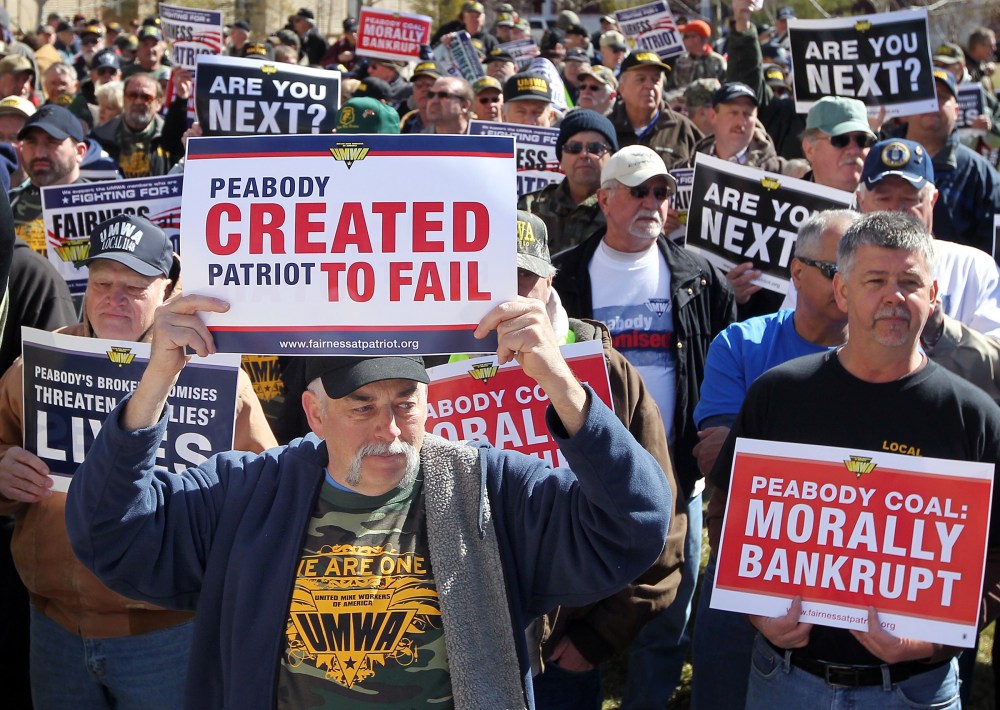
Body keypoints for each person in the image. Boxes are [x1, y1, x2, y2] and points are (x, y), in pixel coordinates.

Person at [63, 297, 672, 706]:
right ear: (314, 413)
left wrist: (559, 381)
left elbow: (635, 526)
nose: (389, 428)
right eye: (362, 406)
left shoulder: (488, 490)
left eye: (406, 402)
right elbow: (109, 533)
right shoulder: (248, 493)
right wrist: (157, 379)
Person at [708, 211, 1000, 710]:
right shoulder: (779, 395)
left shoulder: (973, 417)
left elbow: (994, 563)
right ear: (842, 292)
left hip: (915, 689)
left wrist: (933, 642)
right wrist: (756, 610)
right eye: (875, 280)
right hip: (785, 678)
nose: (894, 296)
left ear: (933, 298)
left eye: (910, 281)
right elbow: (725, 510)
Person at [0, 213, 276, 709]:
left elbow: (262, 490)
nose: (114, 297)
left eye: (134, 286)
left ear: (167, 291)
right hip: (55, 623)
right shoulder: (37, 364)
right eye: (103, 282)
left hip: (168, 633)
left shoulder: (216, 378)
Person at [552, 145, 736, 708]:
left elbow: (725, 356)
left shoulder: (698, 276)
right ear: (604, 198)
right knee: (581, 597)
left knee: (666, 611)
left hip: (675, 470)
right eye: (638, 191)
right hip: (584, 470)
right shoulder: (564, 275)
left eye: (661, 192)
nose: (653, 203)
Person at [689, 209, 859, 709]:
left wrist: (771, 451)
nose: (847, 284)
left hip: (850, 568)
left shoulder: (889, 359)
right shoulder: (742, 344)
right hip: (749, 559)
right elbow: (715, 455)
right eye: (835, 271)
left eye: (859, 271)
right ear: (797, 272)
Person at [895, 68, 1000, 259]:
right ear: (907, 108)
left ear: (956, 110)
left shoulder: (980, 174)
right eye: (925, 95)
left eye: (942, 96)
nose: (933, 103)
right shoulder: (880, 158)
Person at [518, 110, 618, 253]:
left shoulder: (623, 209)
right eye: (574, 148)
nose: (584, 154)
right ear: (561, 160)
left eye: (595, 148)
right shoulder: (529, 208)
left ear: (612, 157)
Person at [609, 52, 702, 170]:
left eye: (655, 79)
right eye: (641, 79)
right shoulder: (607, 128)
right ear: (622, 88)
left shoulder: (682, 128)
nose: (649, 85)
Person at [92, 73, 178, 177]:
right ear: (124, 99)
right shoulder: (99, 138)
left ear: (158, 103)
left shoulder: (172, 138)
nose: (138, 101)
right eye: (132, 96)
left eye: (146, 97)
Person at [668, 19, 726, 90]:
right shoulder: (681, 61)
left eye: (686, 36)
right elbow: (671, 86)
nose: (683, 40)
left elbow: (725, 86)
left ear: (696, 38)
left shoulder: (718, 61)